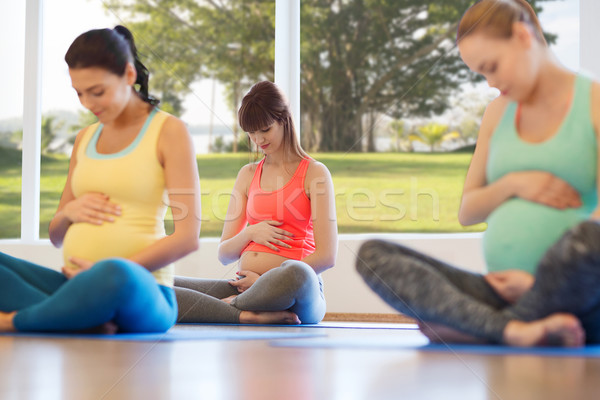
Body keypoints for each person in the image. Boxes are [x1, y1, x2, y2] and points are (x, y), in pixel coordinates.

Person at [356, 0, 600, 347]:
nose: (491, 83)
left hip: (579, 297)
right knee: (374, 255)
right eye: (481, 74)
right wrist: (515, 184)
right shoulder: (497, 113)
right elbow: (468, 211)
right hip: (500, 289)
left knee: (592, 240)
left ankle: (485, 328)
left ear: (521, 36)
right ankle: (514, 329)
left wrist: (537, 285)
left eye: (493, 67)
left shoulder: (593, 102)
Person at [0, 26, 201, 333]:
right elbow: (56, 236)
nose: (88, 104)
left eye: (97, 92)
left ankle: (13, 322)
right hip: (72, 285)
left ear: (129, 75)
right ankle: (87, 319)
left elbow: (187, 237)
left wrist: (100, 273)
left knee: (113, 273)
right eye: (79, 93)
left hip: (140, 290)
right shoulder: (85, 138)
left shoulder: (169, 131)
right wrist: (68, 213)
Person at [174, 81, 338, 325]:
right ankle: (246, 312)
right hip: (244, 286)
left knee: (296, 274)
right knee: (162, 283)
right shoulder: (247, 174)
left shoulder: (315, 172)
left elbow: (326, 257)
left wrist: (262, 282)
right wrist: (251, 232)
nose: (258, 139)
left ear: (283, 120)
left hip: (296, 290)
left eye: (264, 129)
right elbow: (224, 254)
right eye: (251, 133)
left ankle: (225, 309)